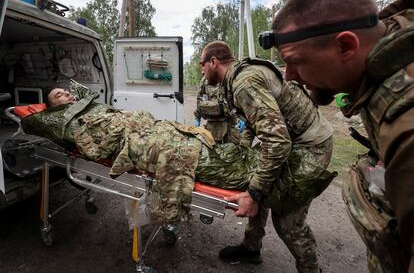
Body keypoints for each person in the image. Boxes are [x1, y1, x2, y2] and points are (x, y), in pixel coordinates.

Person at [23, 85, 334, 229]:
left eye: (66, 92)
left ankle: (281, 172)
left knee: (215, 148)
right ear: (51, 107)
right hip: (136, 142)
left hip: (150, 129)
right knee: (216, 162)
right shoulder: (61, 119)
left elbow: (121, 115)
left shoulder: (90, 104)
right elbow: (38, 123)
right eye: (58, 96)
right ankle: (288, 179)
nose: (66, 95)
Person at [264, 0, 413, 272]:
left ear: (345, 46)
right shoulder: (387, 64)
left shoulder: (407, 127)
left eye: (295, 61)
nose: (290, 76)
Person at [200, 41, 335, 273]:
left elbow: (277, 142)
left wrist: (253, 193)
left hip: (312, 145)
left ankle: (311, 269)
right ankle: (251, 248)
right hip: (291, 139)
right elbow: (258, 118)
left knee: (287, 221)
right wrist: (242, 149)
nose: (202, 70)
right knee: (258, 181)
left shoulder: (244, 82)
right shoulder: (238, 78)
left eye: (202, 64)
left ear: (213, 62)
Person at [194, 76, 241, 144]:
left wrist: (242, 118)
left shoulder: (230, 77)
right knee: (213, 151)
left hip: (230, 124)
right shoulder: (206, 79)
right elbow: (200, 100)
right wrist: (197, 118)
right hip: (213, 125)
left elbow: (239, 99)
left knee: (233, 150)